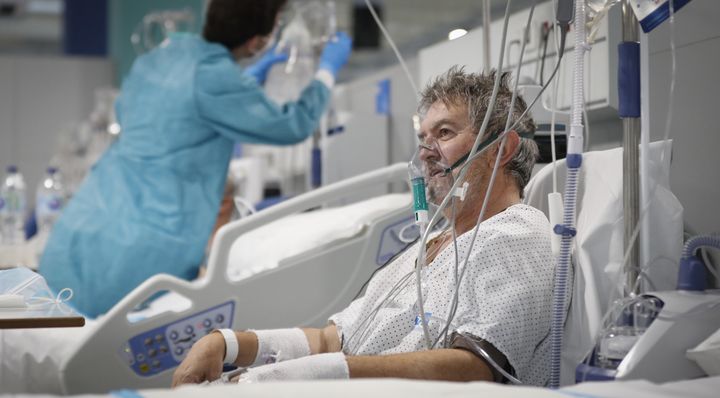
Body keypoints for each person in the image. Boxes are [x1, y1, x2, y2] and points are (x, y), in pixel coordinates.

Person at [172, 66, 556, 386]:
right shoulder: (431, 245)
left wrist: (308, 377)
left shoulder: (515, 234)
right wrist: (227, 344)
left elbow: (475, 369)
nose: (425, 153)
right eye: (423, 138)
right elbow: (331, 340)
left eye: (444, 133)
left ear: (501, 149)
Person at [37, 0, 352, 317]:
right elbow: (291, 124)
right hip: (136, 252)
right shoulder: (214, 78)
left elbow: (166, 111)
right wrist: (326, 72)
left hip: (82, 228)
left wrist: (245, 84)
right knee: (110, 353)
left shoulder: (162, 56)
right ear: (259, 41)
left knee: (60, 343)